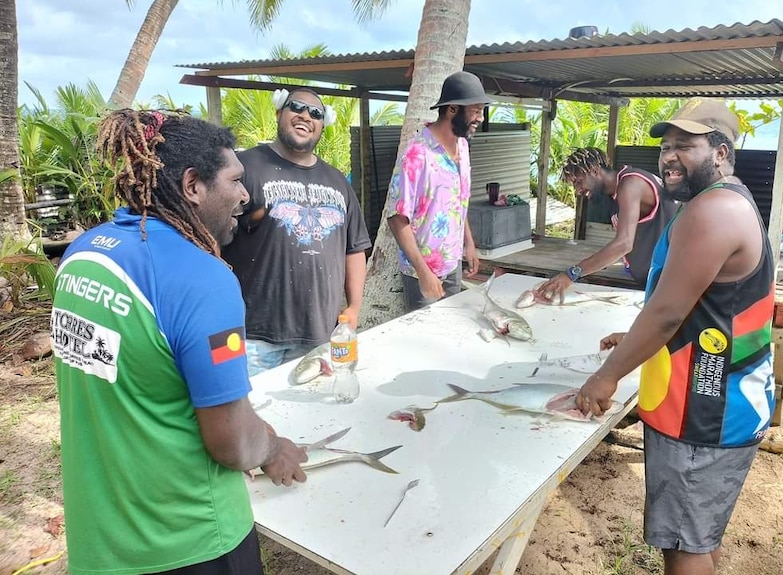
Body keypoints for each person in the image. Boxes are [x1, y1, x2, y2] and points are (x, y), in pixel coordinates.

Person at [51, 110, 308, 575]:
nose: (245, 195)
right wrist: (272, 448)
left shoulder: (82, 254)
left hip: (100, 542)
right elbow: (230, 442)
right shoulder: (202, 279)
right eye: (234, 180)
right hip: (190, 542)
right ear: (193, 186)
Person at [575, 99, 776, 575]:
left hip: (703, 410)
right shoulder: (728, 201)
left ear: (722, 152)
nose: (668, 156)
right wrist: (634, 336)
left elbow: (666, 313)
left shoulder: (713, 211)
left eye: (685, 146)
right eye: (666, 146)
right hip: (724, 400)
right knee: (700, 534)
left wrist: (604, 378)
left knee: (683, 546)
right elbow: (698, 303)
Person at [222, 88, 371, 376]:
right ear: (279, 112)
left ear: (323, 124)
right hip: (252, 336)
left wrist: (354, 308)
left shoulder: (337, 180)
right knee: (248, 417)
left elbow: (354, 248)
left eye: (315, 113)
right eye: (296, 108)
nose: (305, 116)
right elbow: (210, 240)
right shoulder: (245, 167)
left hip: (318, 334)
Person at [385, 70, 487, 311]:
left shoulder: (462, 146)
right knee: (424, 343)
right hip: (422, 272)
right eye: (476, 110)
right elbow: (397, 219)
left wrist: (468, 244)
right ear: (452, 109)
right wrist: (424, 273)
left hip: (452, 265)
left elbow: (458, 202)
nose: (481, 118)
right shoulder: (417, 155)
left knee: (450, 336)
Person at [536, 147, 677, 298]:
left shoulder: (631, 184)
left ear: (595, 171)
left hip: (668, 283)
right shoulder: (616, 191)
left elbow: (624, 244)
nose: (578, 191)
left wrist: (571, 274)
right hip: (654, 279)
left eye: (579, 182)